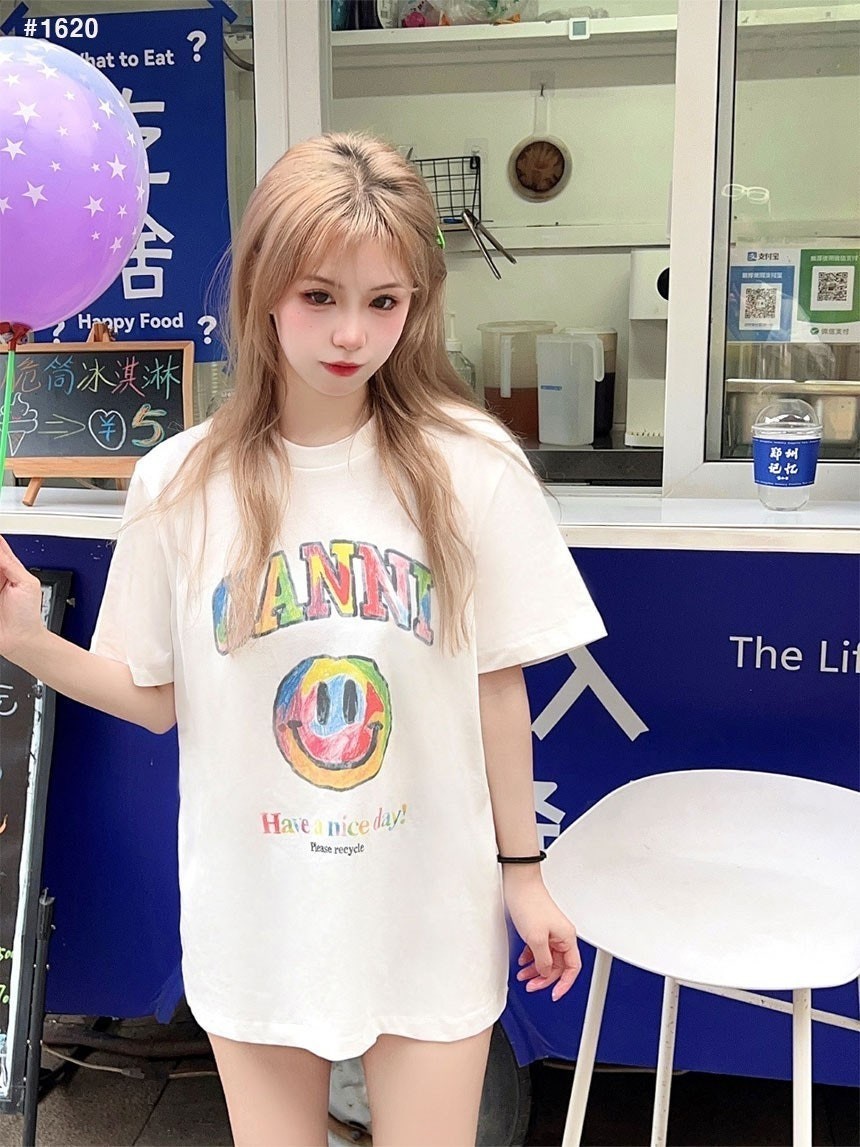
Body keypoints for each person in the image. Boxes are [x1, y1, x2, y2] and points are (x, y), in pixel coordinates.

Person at [0, 132, 606, 1147]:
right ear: (263, 289)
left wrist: (524, 870)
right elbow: (159, 696)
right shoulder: (180, 483)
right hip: (258, 905)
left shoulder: (471, 467)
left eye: (384, 301)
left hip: (428, 899)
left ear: (416, 305)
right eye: (319, 295)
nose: (351, 334)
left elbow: (494, 684)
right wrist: (27, 641)